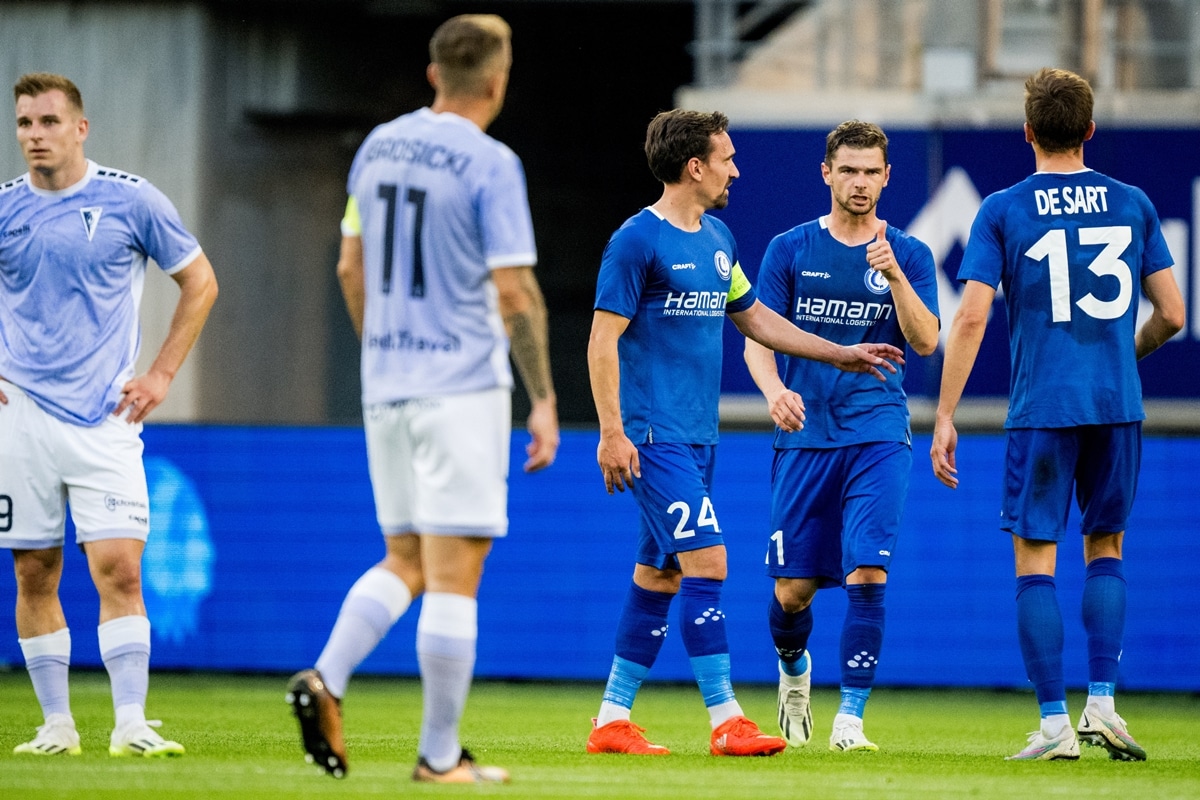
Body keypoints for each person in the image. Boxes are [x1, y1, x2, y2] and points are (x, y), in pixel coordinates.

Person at [285, 14, 558, 784]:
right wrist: (542, 398)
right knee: (453, 573)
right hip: (461, 386)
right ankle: (439, 757)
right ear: (498, 83)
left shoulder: (377, 147)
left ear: (434, 74)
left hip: (389, 383)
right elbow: (514, 289)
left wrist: (385, 353)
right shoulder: (492, 164)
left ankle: (326, 679)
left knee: (403, 558)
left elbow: (349, 268)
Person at [585, 109, 905, 757]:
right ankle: (726, 718)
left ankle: (610, 720)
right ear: (694, 166)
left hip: (698, 436)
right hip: (653, 435)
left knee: (659, 573)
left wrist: (837, 354)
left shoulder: (717, 239)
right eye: (726, 158)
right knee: (709, 560)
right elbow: (601, 340)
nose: (736, 168)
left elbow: (756, 320)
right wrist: (612, 432)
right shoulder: (636, 241)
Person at [930, 68, 1184, 762]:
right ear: (1090, 130)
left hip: (1043, 406)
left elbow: (974, 314)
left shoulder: (1004, 209)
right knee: (1106, 548)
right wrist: (1125, 359)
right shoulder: (1131, 202)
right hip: (1115, 405)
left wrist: (945, 412)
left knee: (1034, 560)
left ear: (1028, 131)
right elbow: (1173, 313)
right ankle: (1103, 702)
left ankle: (1054, 726)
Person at [1, 73, 218, 757]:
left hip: (105, 417)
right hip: (23, 415)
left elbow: (200, 281)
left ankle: (131, 725)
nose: (35, 135)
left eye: (49, 122)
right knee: (35, 570)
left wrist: (160, 374)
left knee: (120, 569)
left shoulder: (130, 199)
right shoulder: (5, 208)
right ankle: (56, 727)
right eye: (25, 123)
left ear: (80, 128)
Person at [744, 120, 939, 753]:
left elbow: (928, 340)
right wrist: (775, 392)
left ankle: (850, 721)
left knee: (868, 572)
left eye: (871, 171)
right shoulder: (790, 249)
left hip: (879, 434)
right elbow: (758, 335)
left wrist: (897, 277)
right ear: (826, 173)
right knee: (792, 592)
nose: (859, 182)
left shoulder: (907, 252)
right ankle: (793, 672)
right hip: (805, 440)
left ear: (887, 177)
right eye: (847, 170)